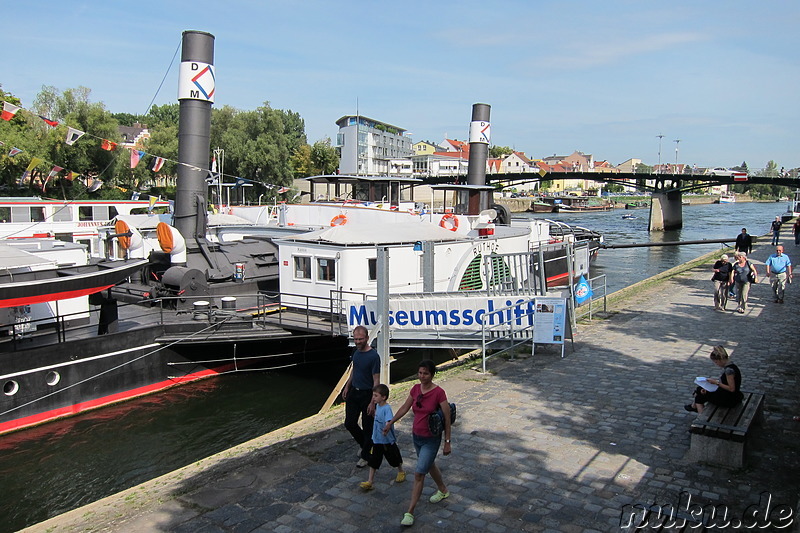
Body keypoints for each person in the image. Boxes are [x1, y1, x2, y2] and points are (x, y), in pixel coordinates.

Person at [385, 360, 452, 527]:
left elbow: (447, 418)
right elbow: (404, 407)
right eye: (420, 373)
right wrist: (391, 422)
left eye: (425, 373)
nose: (422, 376)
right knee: (429, 465)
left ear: (432, 374)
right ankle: (443, 490)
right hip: (417, 437)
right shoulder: (415, 389)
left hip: (431, 439)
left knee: (419, 473)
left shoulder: (439, 393)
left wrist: (447, 442)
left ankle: (410, 512)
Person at [342, 325, 381, 468]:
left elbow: (376, 379)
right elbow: (354, 370)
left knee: (368, 426)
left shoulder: (373, 356)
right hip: (354, 392)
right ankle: (364, 445)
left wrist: (373, 401)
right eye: (355, 339)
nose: (357, 342)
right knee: (349, 423)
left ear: (366, 338)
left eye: (360, 339)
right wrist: (347, 386)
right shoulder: (356, 353)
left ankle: (366, 455)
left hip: (367, 394)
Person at [359, 384, 406, 491]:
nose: (373, 398)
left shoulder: (387, 408)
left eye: (376, 396)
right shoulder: (378, 407)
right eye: (373, 395)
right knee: (374, 460)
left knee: (393, 457)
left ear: (383, 397)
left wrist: (386, 428)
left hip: (387, 441)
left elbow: (388, 420)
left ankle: (401, 470)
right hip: (377, 440)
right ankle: (370, 481)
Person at [685, 345, 743, 414]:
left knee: (699, 397)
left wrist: (716, 383)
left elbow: (732, 389)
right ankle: (694, 407)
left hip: (729, 399)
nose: (716, 364)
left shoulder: (729, 371)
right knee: (700, 390)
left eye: (716, 362)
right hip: (728, 395)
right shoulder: (731, 366)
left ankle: (701, 419)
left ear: (720, 360)